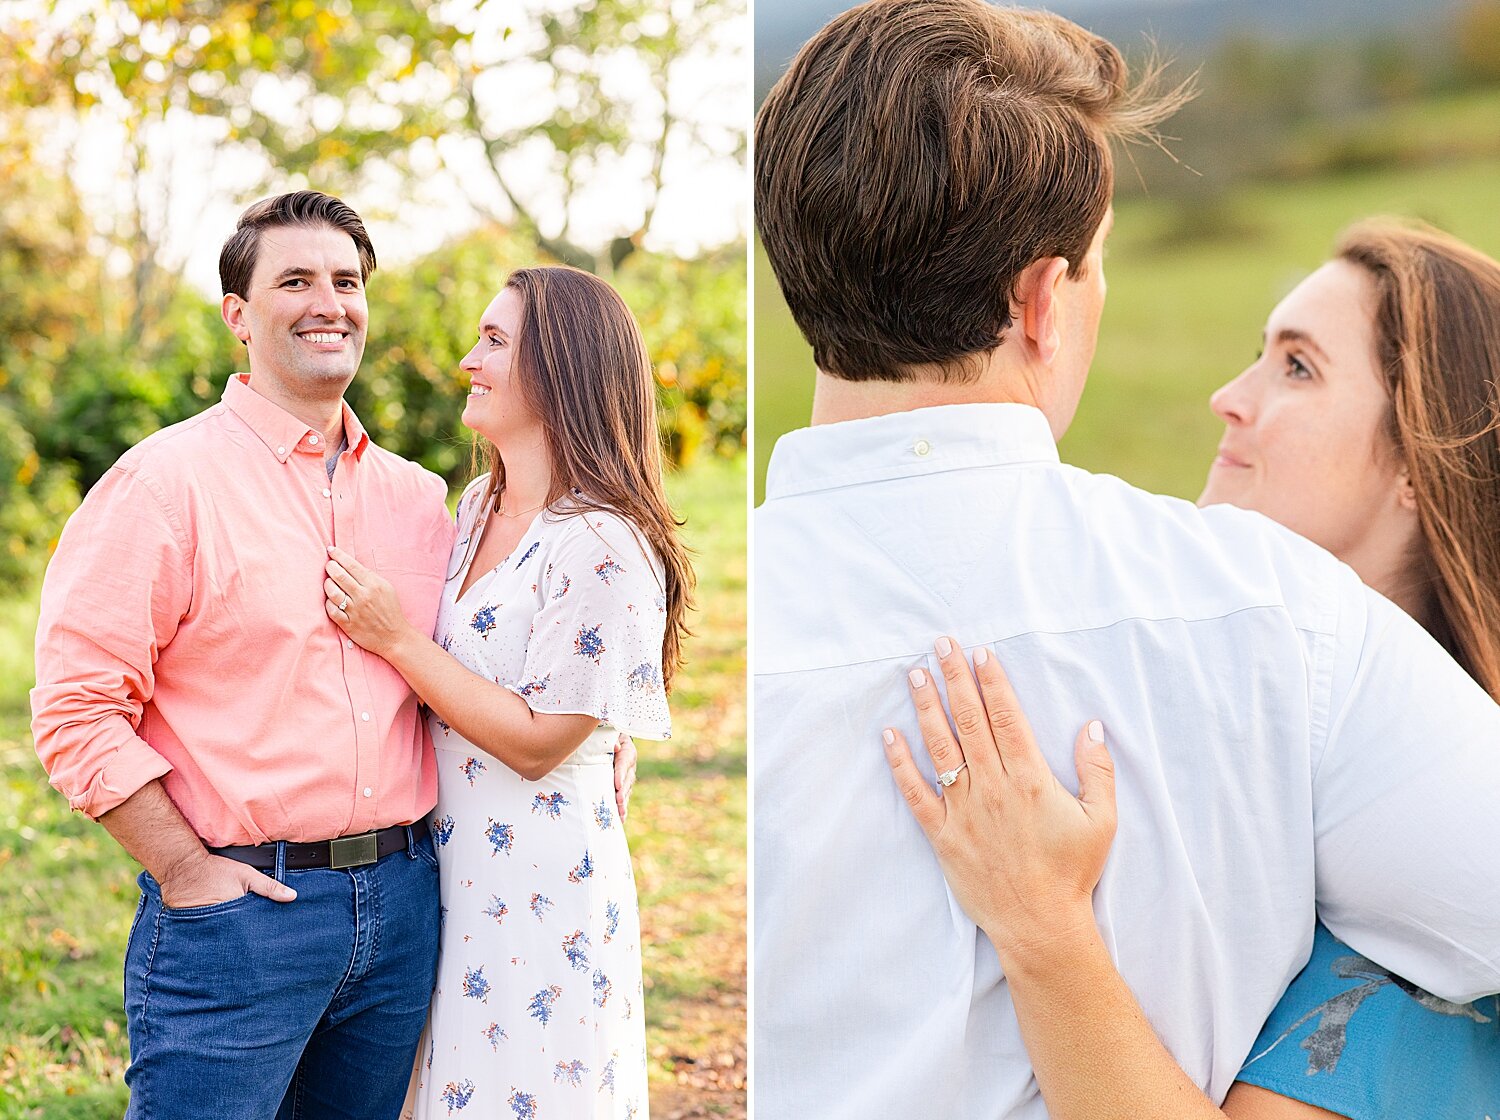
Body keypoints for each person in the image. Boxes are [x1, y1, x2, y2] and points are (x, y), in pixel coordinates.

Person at [751, 2, 1500, 1118]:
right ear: (1044, 302)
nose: (1229, 400)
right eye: (1095, 270)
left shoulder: (701, 635)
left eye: (1297, 366)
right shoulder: (1286, 618)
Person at [887, 220, 1500, 1119]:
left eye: (1297, 368)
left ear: (1418, 459)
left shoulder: (1411, 923)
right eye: (1258, 355)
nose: (1228, 397)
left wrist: (1044, 925)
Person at [30, 190, 456, 1118]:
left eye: (346, 281)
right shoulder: (164, 484)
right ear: (238, 315)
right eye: (294, 280)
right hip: (242, 917)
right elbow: (75, 708)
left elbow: (460, 675)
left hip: (408, 910)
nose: (328, 302)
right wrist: (186, 871)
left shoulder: (421, 499)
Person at [322, 265, 692, 1120]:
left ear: (561, 365)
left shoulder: (601, 540)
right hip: (445, 879)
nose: (466, 360)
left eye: (494, 341)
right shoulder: (478, 504)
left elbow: (534, 742)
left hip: (539, 895)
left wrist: (395, 637)